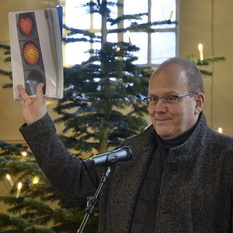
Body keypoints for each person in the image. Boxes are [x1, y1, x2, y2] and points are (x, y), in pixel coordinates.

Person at [17, 57, 233, 233]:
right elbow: (74, 180)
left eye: (171, 98)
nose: (158, 108)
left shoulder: (225, 158)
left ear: (198, 103)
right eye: (153, 99)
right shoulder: (132, 151)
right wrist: (37, 121)